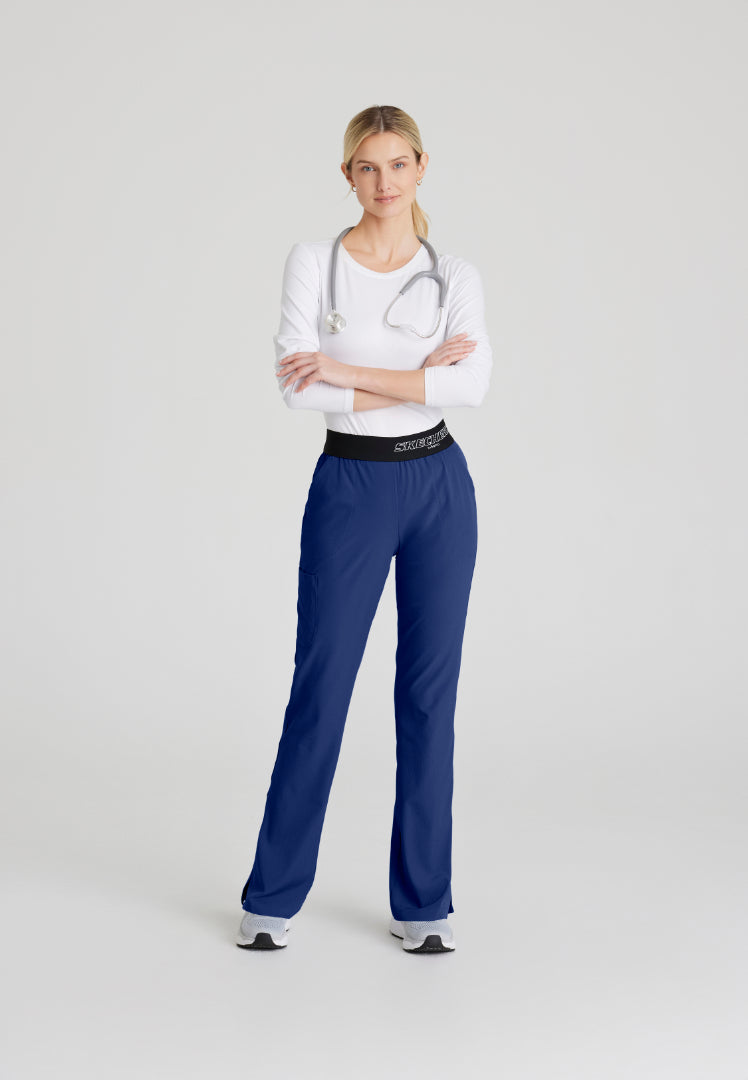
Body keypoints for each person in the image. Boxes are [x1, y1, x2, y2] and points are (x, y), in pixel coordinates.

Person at [236, 104, 492, 954]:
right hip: (351, 486)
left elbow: (469, 389)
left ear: (422, 166)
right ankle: (272, 896)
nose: (385, 182)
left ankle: (423, 906)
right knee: (322, 688)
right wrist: (415, 376)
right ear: (347, 175)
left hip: (439, 488)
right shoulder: (315, 264)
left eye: (398, 164)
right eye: (367, 167)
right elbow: (296, 389)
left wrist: (346, 368)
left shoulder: (455, 274)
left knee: (428, 699)